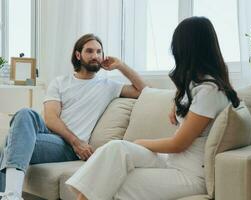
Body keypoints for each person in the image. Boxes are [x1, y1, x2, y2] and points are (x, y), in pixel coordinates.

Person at [66, 16, 240, 200]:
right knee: (116, 148)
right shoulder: (198, 86)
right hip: (171, 163)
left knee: (109, 181)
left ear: (187, 48)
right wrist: (176, 101)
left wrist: (139, 143)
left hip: (188, 175)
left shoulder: (209, 91)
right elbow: (183, 96)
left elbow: (178, 144)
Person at [0, 33, 146, 200]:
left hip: (66, 149)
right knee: (25, 113)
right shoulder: (60, 82)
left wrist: (121, 66)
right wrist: (77, 142)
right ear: (78, 55)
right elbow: (51, 119)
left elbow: (145, 91)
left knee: (10, 142)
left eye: (99, 52)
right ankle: (11, 195)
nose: (95, 56)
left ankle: (10, 194)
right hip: (57, 139)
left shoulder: (109, 86)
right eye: (90, 51)